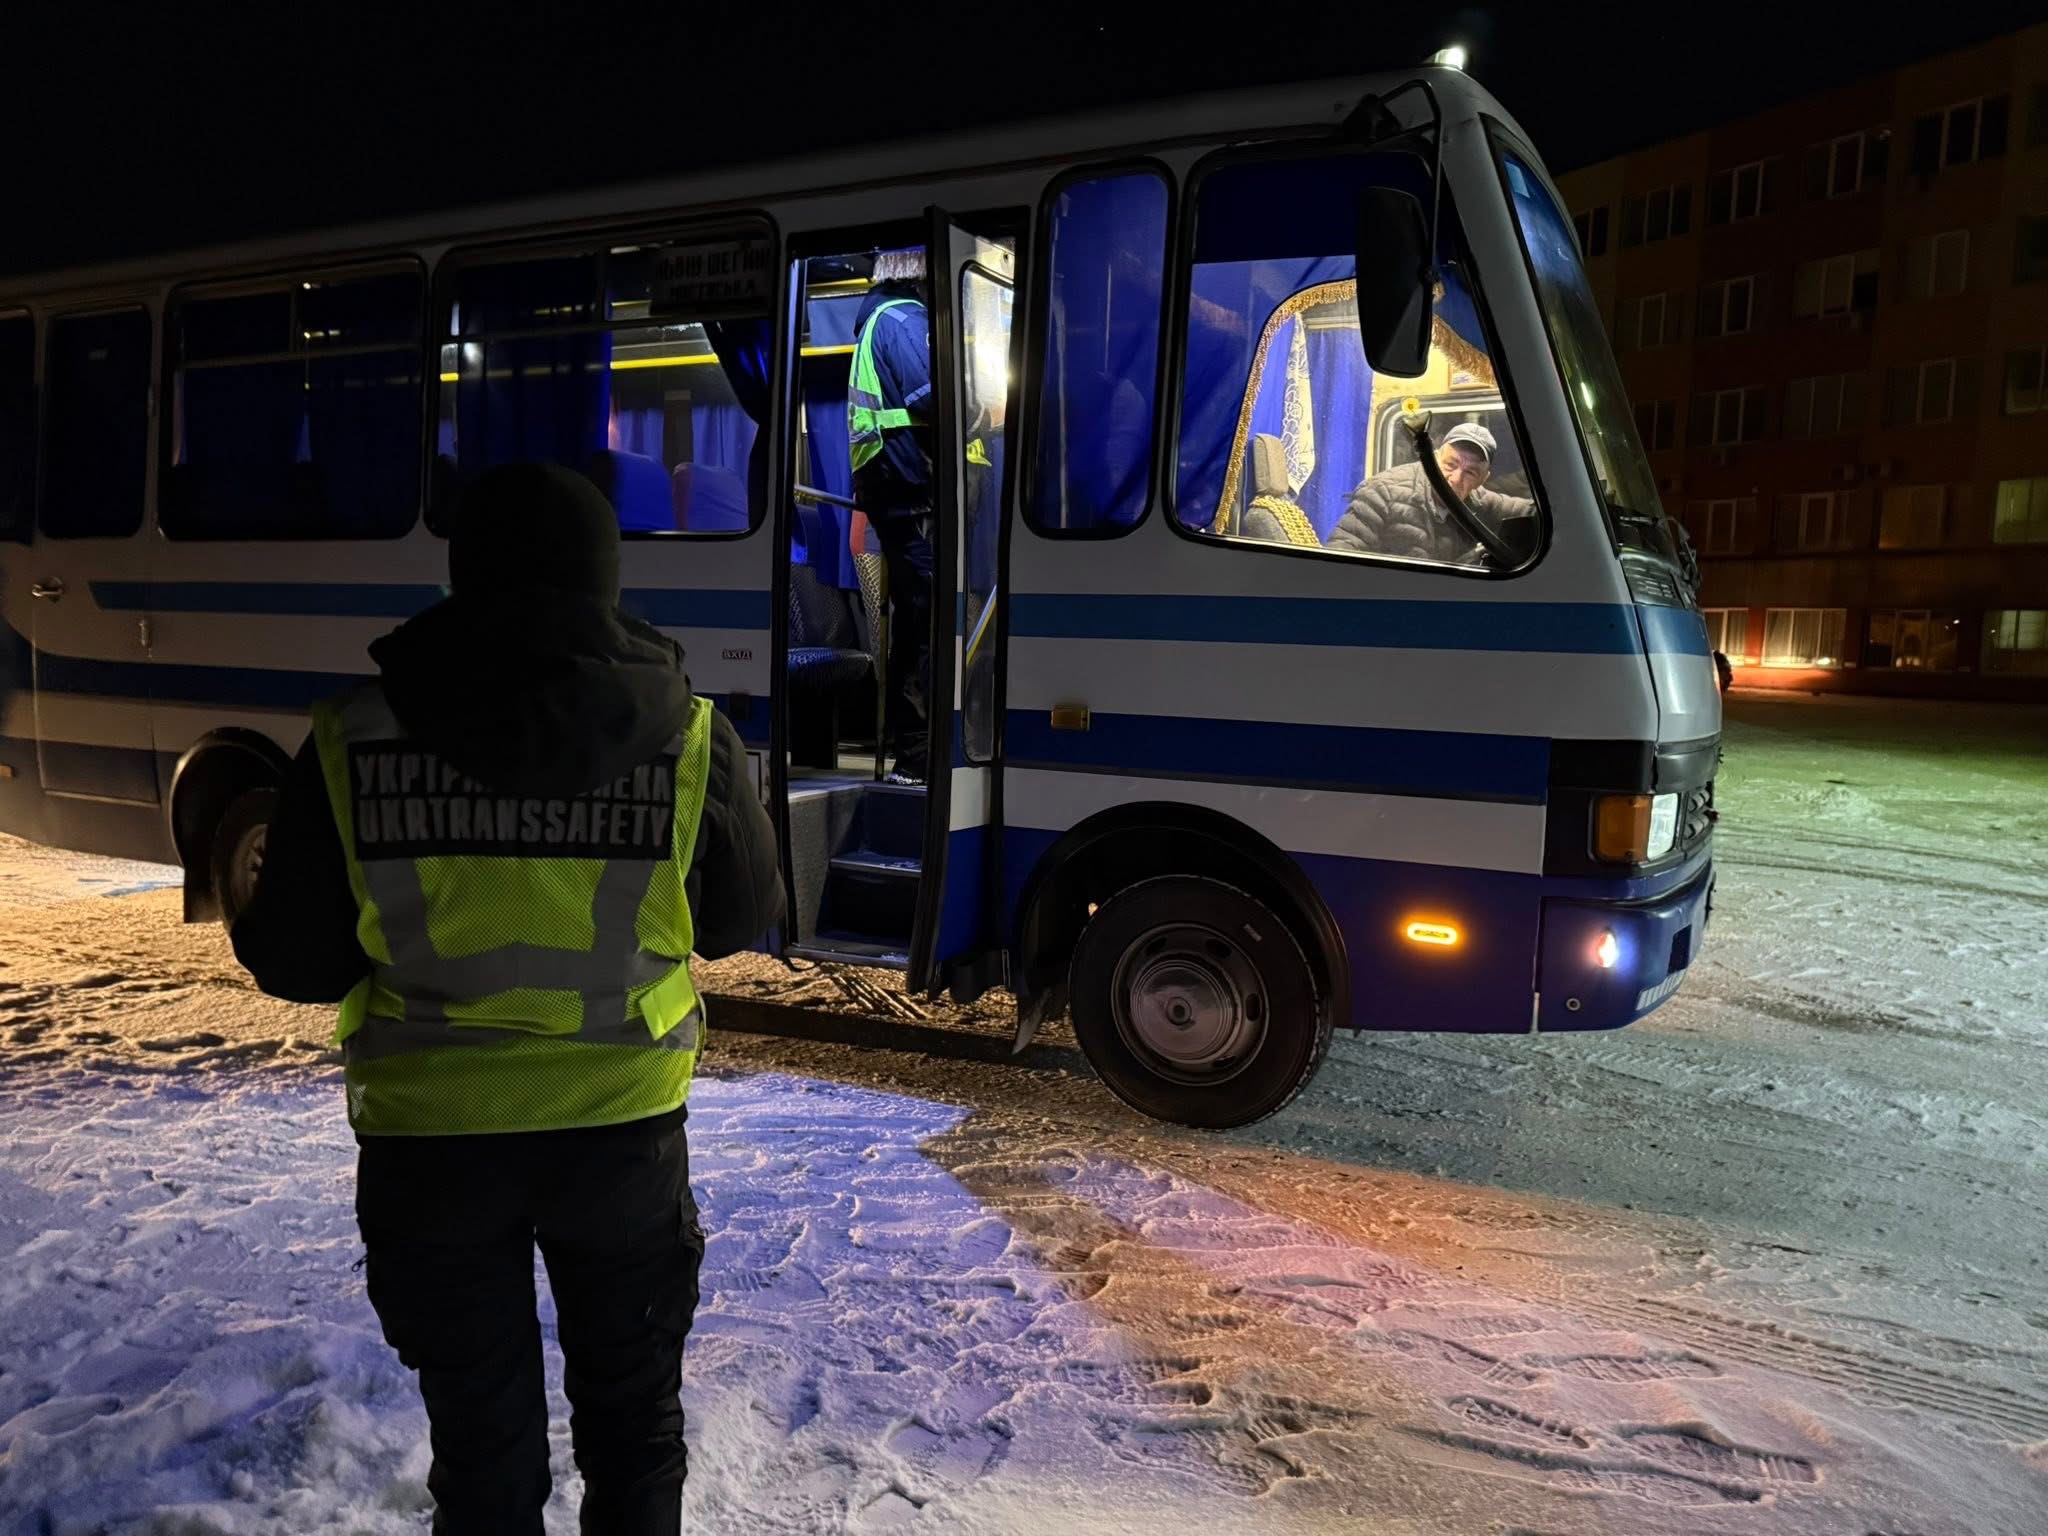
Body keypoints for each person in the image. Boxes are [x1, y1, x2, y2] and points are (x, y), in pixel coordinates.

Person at [230, 463, 783, 1536]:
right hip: (619, 1139)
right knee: (633, 1435)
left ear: (461, 572)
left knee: (480, 1456)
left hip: (432, 1150)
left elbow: (295, 962)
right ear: (605, 578)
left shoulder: (351, 738)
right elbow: (731, 921)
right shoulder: (690, 738)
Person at [847, 248, 936, 783]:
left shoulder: (881, 319)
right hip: (908, 480)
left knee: (917, 617)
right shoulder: (905, 320)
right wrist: (989, 410)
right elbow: (934, 400)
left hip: (899, 483)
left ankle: (916, 752)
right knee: (927, 621)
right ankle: (918, 755)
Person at [1326, 421, 1536, 566]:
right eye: (1450, 464)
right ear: (1434, 458)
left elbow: (1536, 513)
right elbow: (1340, 558)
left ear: (1482, 480)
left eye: (1470, 472)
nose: (1455, 478)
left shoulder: (1479, 501)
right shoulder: (1383, 492)